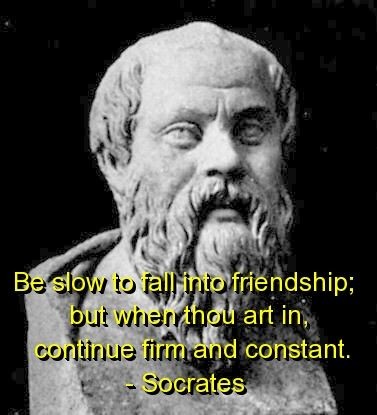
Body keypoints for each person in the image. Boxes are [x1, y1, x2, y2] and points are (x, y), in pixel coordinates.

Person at [26, 22, 336, 414]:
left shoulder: (299, 319)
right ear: (117, 161)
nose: (227, 159)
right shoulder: (75, 330)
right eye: (184, 133)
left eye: (250, 130)